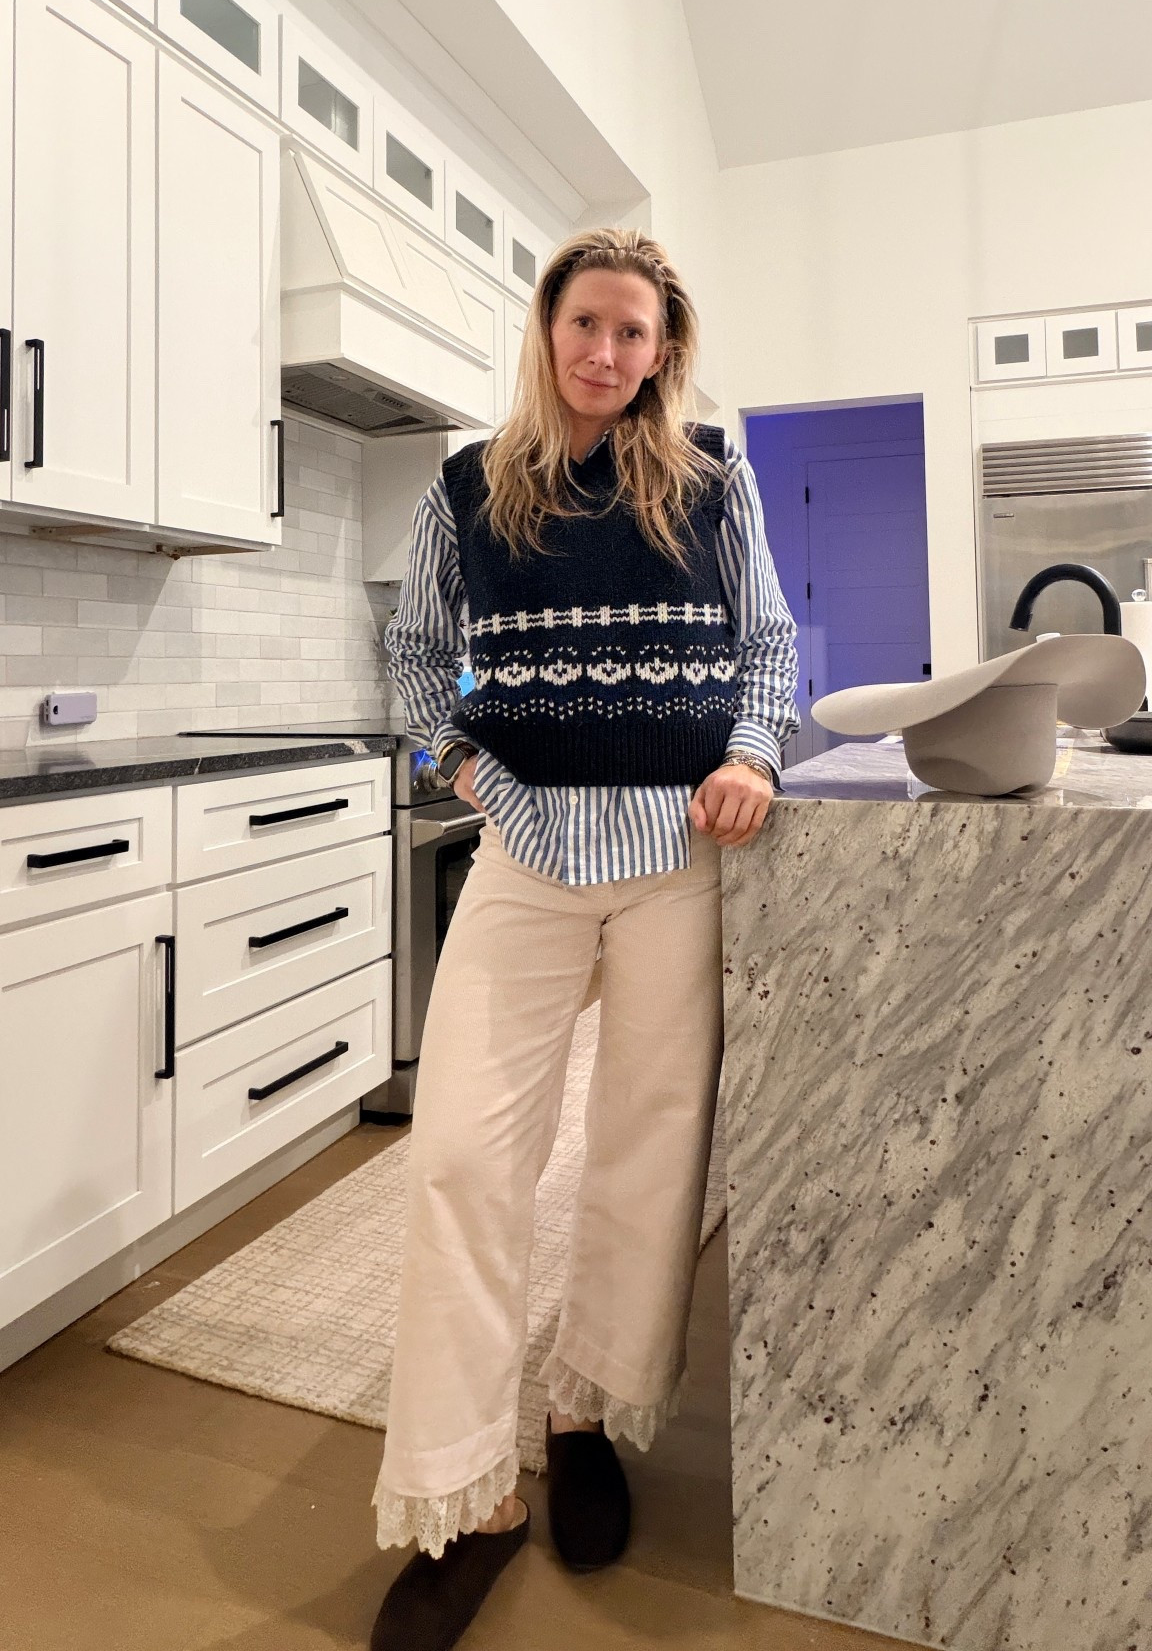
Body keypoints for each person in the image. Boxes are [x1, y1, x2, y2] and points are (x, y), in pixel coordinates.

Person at [369, 226, 798, 1651]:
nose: (608, 352)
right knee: (464, 1159)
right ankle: (463, 1495)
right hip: (526, 852)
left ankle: (583, 1419)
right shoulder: (464, 492)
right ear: (545, 330)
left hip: (681, 856)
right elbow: (419, 657)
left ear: (663, 347)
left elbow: (772, 651)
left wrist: (750, 751)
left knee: (647, 1149)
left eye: (635, 331)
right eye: (585, 325)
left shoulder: (714, 484)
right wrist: (459, 762)